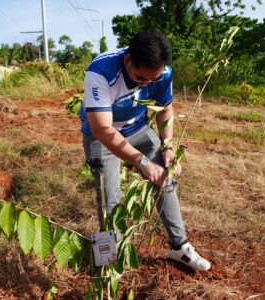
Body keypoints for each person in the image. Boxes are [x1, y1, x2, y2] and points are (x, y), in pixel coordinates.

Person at [79, 30, 210, 271]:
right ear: (128, 60)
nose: (147, 84)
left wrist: (168, 146)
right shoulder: (100, 72)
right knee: (109, 199)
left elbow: (164, 109)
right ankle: (108, 261)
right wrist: (141, 162)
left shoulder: (163, 72)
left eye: (153, 79)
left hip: (138, 129)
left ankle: (179, 246)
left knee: (164, 177)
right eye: (141, 79)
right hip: (102, 135)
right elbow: (102, 129)